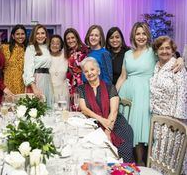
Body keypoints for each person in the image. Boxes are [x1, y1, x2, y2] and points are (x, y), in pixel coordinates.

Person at [116, 22, 184, 165]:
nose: (141, 36)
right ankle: (127, 162)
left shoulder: (153, 52)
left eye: (143, 33)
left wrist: (181, 59)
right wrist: (114, 96)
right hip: (126, 97)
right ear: (133, 36)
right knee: (125, 130)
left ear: (148, 35)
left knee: (140, 130)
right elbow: (123, 76)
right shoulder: (127, 53)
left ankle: (141, 163)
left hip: (144, 95)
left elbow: (169, 56)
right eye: (138, 33)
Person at [78, 57, 134, 162]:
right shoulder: (81, 89)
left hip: (117, 125)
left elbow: (114, 111)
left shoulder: (110, 87)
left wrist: (107, 131)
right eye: (86, 71)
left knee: (121, 154)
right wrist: (102, 120)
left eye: (92, 69)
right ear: (84, 74)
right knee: (91, 152)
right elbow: (84, 109)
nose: (89, 73)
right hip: (95, 125)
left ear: (98, 71)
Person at [150, 36, 187, 174]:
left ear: (173, 51)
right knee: (158, 153)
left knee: (172, 156)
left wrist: (176, 121)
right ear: (156, 51)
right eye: (161, 48)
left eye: (168, 48)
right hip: (158, 118)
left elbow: (183, 95)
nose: (164, 51)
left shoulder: (177, 67)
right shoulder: (156, 66)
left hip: (172, 120)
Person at [23, 24, 54, 106]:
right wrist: (34, 87)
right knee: (37, 107)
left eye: (42, 33)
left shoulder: (48, 48)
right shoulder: (31, 48)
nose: (40, 36)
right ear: (34, 35)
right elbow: (27, 69)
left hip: (47, 79)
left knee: (47, 106)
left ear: (46, 35)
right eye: (37, 33)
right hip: (37, 80)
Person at [1, 24, 28, 94]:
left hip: (22, 84)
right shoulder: (4, 48)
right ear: (13, 36)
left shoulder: (28, 50)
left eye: (22, 34)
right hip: (8, 84)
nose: (20, 36)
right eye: (17, 34)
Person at [64, 28, 89, 96]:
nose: (70, 40)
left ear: (77, 38)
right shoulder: (68, 53)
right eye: (68, 39)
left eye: (72, 38)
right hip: (73, 85)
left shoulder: (85, 51)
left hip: (85, 84)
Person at [49, 35, 69, 101]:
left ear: (61, 46)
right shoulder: (46, 57)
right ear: (49, 44)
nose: (55, 45)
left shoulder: (66, 55)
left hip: (63, 91)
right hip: (49, 90)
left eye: (57, 43)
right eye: (52, 43)